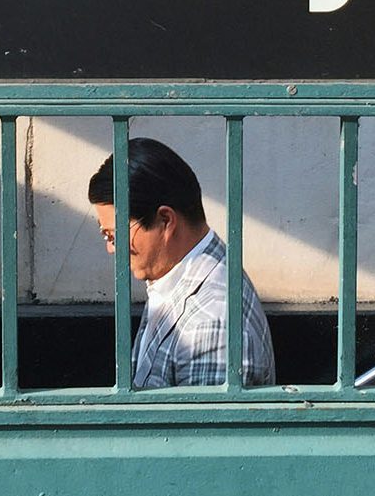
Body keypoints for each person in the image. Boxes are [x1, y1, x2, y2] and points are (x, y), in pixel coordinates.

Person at [88, 137, 276, 388]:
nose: (111, 248)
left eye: (115, 235)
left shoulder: (210, 324)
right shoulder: (180, 274)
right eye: (106, 235)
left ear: (165, 220)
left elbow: (204, 427)